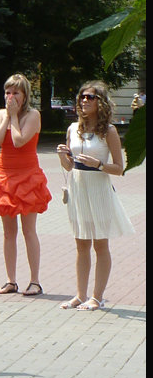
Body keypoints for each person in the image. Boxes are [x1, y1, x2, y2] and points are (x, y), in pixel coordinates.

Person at [55, 81, 134, 311]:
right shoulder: (73, 129)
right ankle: (79, 295)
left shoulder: (108, 131)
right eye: (82, 97)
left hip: (99, 189)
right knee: (81, 245)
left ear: (100, 102)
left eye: (90, 97)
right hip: (78, 187)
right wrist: (62, 157)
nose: (84, 101)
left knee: (100, 244)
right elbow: (69, 166)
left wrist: (99, 164)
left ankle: (96, 296)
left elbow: (119, 168)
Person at [0, 73, 51, 297]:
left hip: (27, 177)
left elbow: (18, 140)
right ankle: (10, 280)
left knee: (29, 231)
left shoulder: (33, 115)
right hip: (5, 176)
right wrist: (7, 117)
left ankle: (35, 281)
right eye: (8, 92)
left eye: (15, 92)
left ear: (25, 96)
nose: (10, 96)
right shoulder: (1, 114)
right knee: (8, 233)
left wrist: (14, 117)